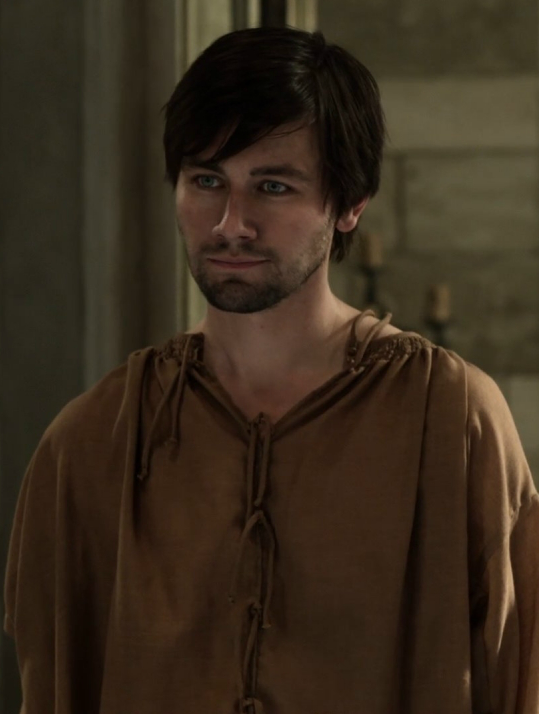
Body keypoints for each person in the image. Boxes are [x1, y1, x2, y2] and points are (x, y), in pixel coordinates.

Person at [4, 25, 539, 714]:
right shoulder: (95, 438)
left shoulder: (450, 418)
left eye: (273, 186)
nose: (231, 223)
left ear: (349, 204)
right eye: (207, 181)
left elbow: (518, 678)